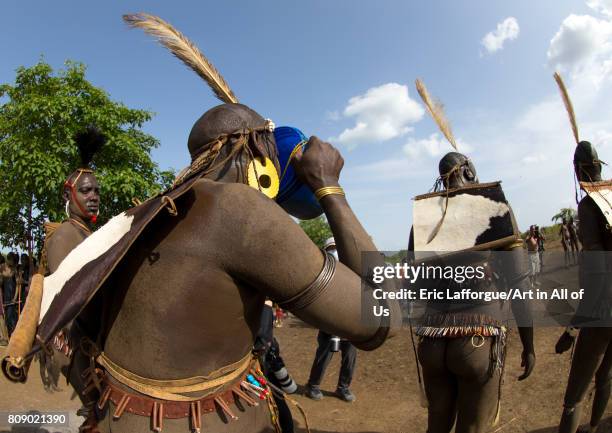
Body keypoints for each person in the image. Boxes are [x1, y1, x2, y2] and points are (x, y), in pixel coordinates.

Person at [412, 152, 535, 433]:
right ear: (468, 171)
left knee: (436, 426)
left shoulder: (423, 220)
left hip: (432, 341)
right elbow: (519, 284)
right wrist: (529, 346)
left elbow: (417, 288)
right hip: (477, 339)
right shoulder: (494, 207)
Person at [40, 126, 105, 401]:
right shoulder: (66, 234)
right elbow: (69, 299)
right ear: (68, 196)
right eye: (86, 191)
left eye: (97, 192)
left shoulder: (84, 232)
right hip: (79, 347)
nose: (94, 197)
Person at [556, 140, 612, 433]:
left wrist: (572, 328)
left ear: (578, 171)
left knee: (573, 397)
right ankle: (593, 428)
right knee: (606, 376)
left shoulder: (589, 204)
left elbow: (598, 271)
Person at [305, 237, 358, 403]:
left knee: (350, 358)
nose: (335, 252)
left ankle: (343, 388)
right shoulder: (322, 276)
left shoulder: (352, 274)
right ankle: (312, 386)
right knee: (324, 355)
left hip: (350, 324)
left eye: (337, 248)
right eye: (331, 248)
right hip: (330, 325)